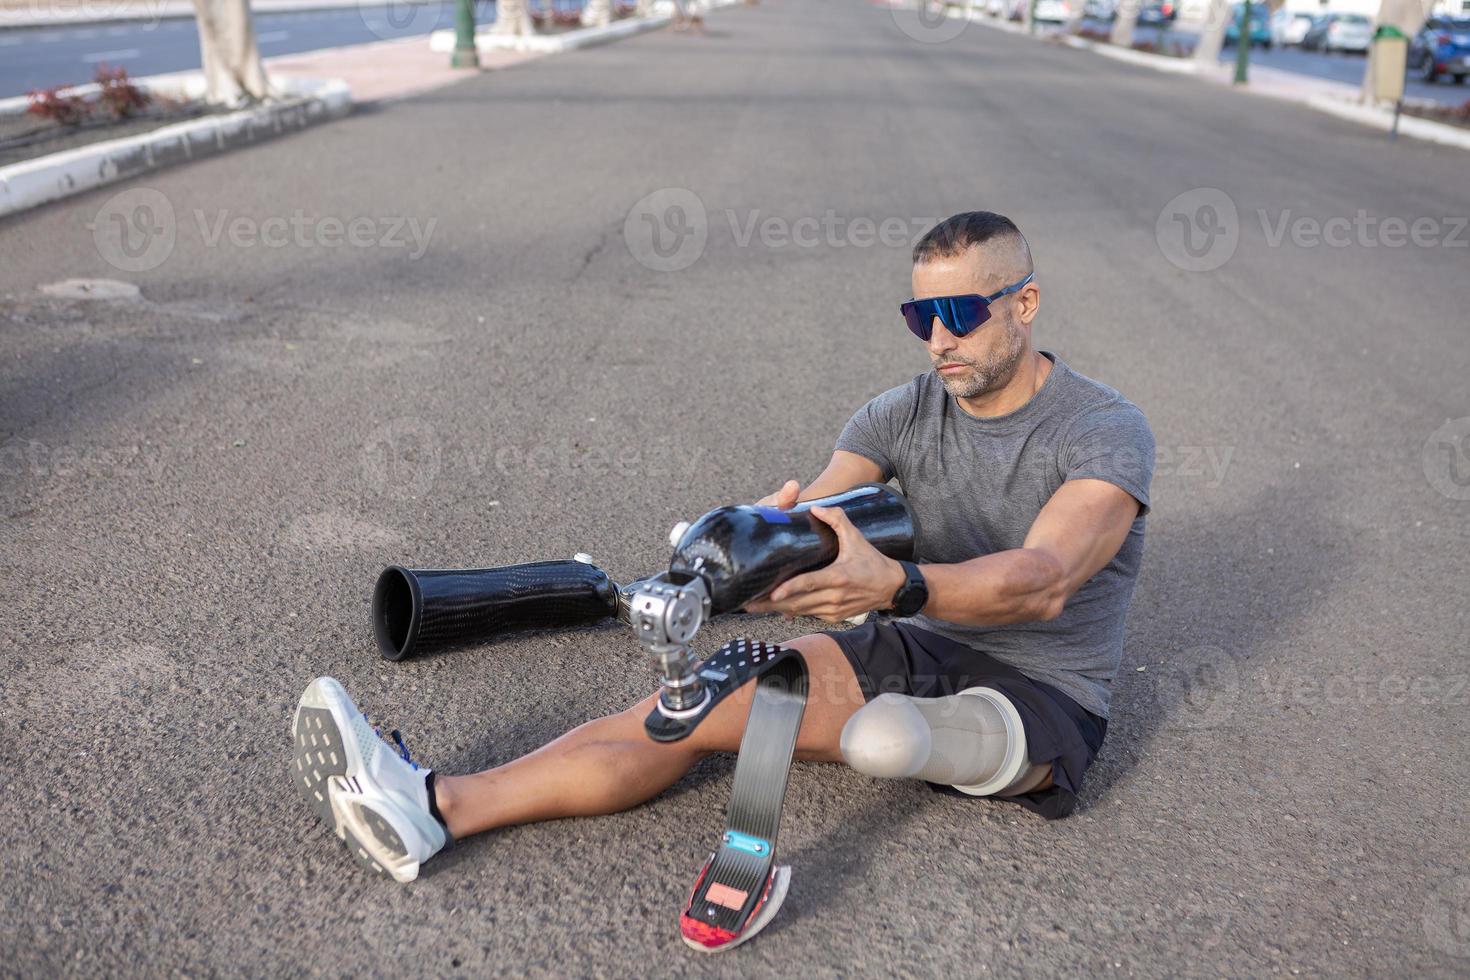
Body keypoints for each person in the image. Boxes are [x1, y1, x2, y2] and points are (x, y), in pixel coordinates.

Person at [292, 211, 1155, 884]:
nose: (938, 340)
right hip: (913, 642)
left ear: (1025, 305)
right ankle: (435, 805)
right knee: (694, 707)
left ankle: (933, 743)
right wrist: (773, 539)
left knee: (887, 741)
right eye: (919, 315)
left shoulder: (1103, 429)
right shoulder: (902, 409)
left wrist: (893, 583)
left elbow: (1042, 582)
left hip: (1041, 689)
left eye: (961, 314)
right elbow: (823, 500)